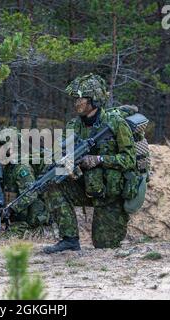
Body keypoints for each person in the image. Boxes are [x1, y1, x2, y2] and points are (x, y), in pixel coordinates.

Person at [42, 74, 137, 253]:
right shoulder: (73, 126)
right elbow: (60, 155)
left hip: (110, 194)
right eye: (75, 98)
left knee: (104, 247)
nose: (76, 103)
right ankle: (69, 240)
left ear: (93, 100)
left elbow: (129, 159)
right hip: (85, 187)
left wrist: (99, 160)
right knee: (51, 184)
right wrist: (67, 165)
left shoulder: (115, 123)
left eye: (81, 98)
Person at [0, 127, 50, 233]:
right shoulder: (9, 167)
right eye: (0, 146)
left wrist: (10, 210)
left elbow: (31, 194)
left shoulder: (22, 168)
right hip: (18, 220)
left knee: (6, 240)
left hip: (30, 223)